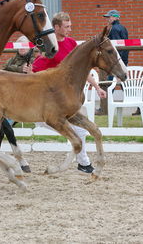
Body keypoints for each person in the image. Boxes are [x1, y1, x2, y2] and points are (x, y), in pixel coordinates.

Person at [32, 11, 106, 174]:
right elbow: (35, 71)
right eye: (66, 27)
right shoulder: (48, 45)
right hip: (47, 102)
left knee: (80, 130)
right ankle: (83, 163)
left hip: (65, 101)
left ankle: (83, 163)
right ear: (56, 27)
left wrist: (97, 87)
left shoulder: (72, 43)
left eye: (70, 26)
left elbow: (82, 70)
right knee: (79, 131)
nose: (69, 30)